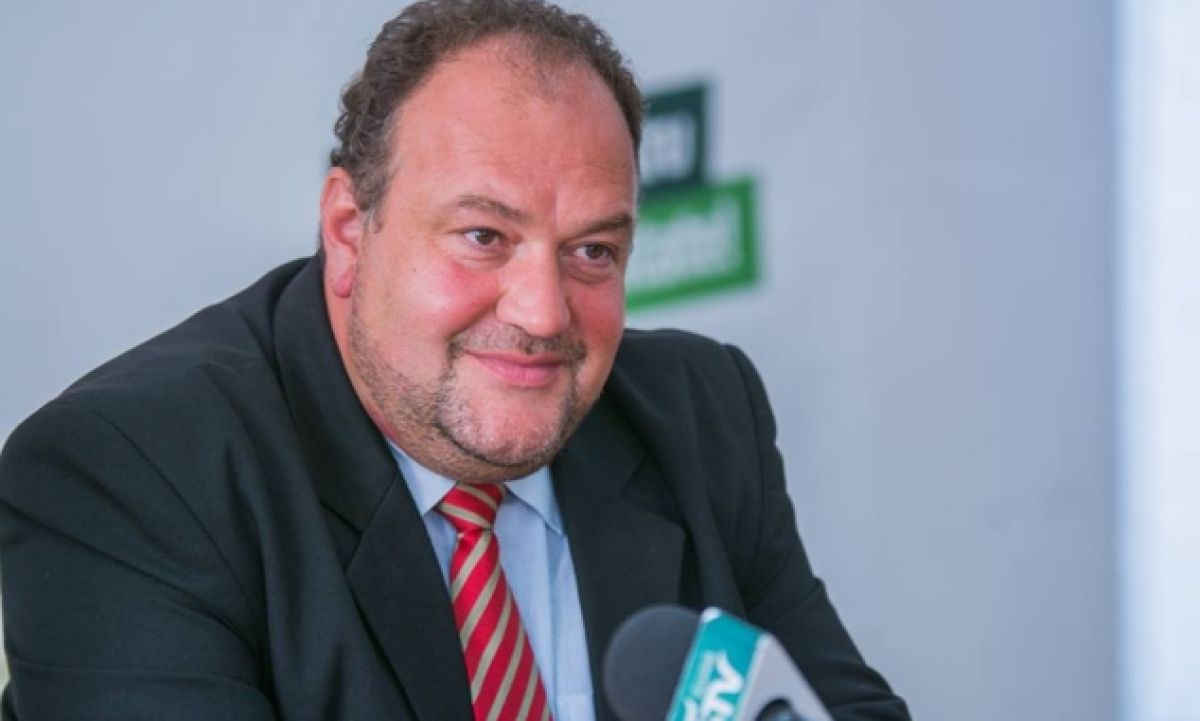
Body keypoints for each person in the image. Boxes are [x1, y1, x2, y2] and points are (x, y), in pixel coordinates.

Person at [0, 1, 909, 720]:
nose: (543, 312)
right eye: (483, 236)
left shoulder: (702, 413)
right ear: (349, 231)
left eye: (593, 250)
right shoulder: (129, 475)